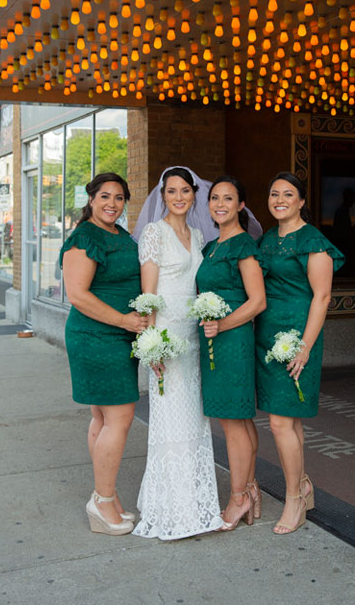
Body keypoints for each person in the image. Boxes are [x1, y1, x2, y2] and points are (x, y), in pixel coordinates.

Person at [131, 167, 221, 540]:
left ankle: (197, 505)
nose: (179, 197)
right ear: (162, 196)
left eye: (186, 191)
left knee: (194, 420)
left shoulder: (199, 234)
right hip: (166, 337)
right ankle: (170, 510)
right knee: (171, 422)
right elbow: (149, 294)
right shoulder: (154, 233)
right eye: (172, 191)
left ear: (194, 195)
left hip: (193, 338)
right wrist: (152, 344)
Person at [60, 172, 148, 536]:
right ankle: (102, 499)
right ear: (91, 199)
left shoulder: (120, 235)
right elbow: (78, 295)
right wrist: (124, 321)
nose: (112, 203)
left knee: (102, 418)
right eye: (105, 196)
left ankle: (107, 499)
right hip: (97, 335)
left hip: (119, 335)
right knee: (121, 418)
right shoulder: (85, 237)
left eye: (119, 198)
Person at [256, 172, 343, 535]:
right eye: (274, 193)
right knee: (288, 421)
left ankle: (293, 497)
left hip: (297, 337)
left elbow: (321, 297)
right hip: (266, 335)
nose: (279, 199)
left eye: (288, 194)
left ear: (301, 201)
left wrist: (305, 347)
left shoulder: (313, 241)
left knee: (280, 422)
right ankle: (303, 484)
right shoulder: (266, 238)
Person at [196, 176, 266, 530]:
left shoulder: (243, 245)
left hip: (233, 340)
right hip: (214, 340)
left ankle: (238, 497)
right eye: (214, 198)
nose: (220, 204)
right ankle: (250, 489)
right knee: (239, 419)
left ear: (241, 205)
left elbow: (257, 300)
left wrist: (222, 325)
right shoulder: (211, 247)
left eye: (228, 198)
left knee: (232, 420)